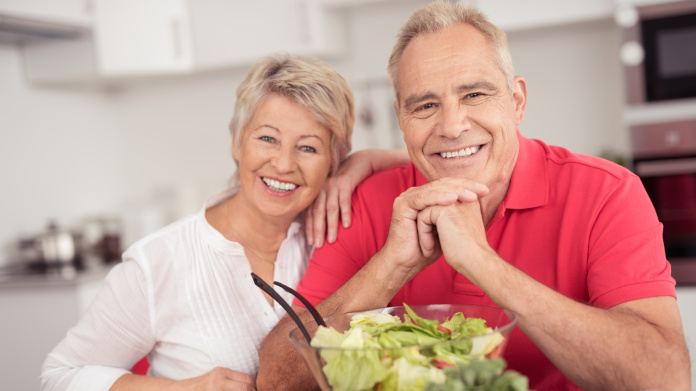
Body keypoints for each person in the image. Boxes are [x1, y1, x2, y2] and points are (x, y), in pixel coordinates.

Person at [256, 2, 692, 390]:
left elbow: (664, 379)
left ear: (516, 101)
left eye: (475, 94)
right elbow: (276, 381)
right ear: (401, 119)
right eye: (425, 105)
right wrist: (392, 263)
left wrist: (481, 262)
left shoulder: (605, 194)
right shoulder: (365, 202)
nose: (451, 125)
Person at [40, 54, 409, 391]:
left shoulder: (336, 232)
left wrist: (368, 159)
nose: (283, 164)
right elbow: (60, 374)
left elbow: (439, 157)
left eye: (308, 147)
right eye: (267, 138)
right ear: (236, 142)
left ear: (334, 160)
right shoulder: (158, 261)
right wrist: (184, 389)